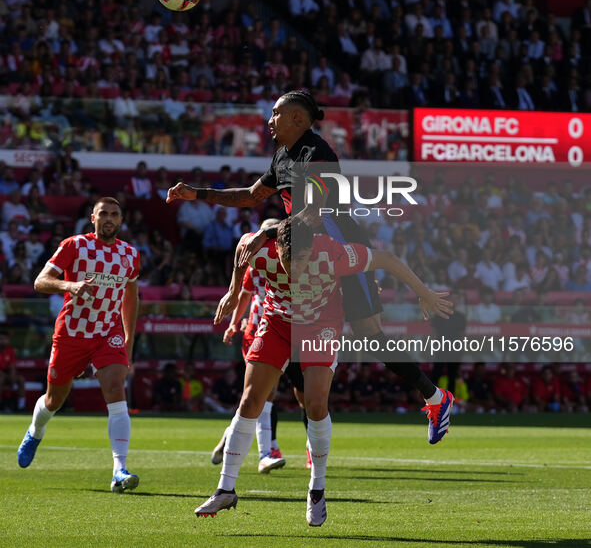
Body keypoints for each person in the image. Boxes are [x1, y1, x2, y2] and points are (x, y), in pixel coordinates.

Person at [166, 90, 454, 445]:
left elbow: (313, 213)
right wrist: (199, 194)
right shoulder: (282, 157)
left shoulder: (318, 155)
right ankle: (306, 428)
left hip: (338, 246)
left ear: (298, 119)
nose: (269, 120)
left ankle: (435, 398)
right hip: (300, 249)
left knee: (369, 334)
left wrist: (269, 230)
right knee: (298, 330)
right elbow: (251, 196)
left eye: (276, 114)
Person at [193, 217, 452, 524]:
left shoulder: (333, 253)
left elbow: (389, 260)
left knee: (316, 404)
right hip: (277, 322)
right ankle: (225, 489)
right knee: (250, 400)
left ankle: (316, 489)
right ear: (277, 247)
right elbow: (241, 251)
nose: (298, 267)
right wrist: (234, 292)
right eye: (291, 259)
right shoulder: (258, 248)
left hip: (321, 325)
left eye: (303, 259)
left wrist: (423, 292)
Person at [16, 197, 141, 494]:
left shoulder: (131, 254)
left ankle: (119, 470)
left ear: (121, 220)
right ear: (93, 218)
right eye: (104, 214)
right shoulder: (75, 246)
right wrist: (69, 285)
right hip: (72, 332)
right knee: (53, 401)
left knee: (115, 388)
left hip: (106, 333)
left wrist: (128, 340)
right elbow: (40, 281)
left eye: (114, 214)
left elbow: (131, 298)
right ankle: (35, 431)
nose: (109, 218)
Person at [213, 219, 287, 474]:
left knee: (264, 394)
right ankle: (265, 454)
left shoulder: (283, 256)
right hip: (258, 327)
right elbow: (244, 293)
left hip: (277, 324)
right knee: (263, 393)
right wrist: (234, 323)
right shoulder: (255, 262)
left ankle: (230, 435)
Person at [0, 332, 26, 411]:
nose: (3, 341)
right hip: (1, 375)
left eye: (5, 339)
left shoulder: (10, 350)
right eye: (1, 339)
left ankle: (21, 406)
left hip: (7, 374)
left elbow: (12, 366)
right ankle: (1, 404)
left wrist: (12, 376)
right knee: (1, 378)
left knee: (21, 379)